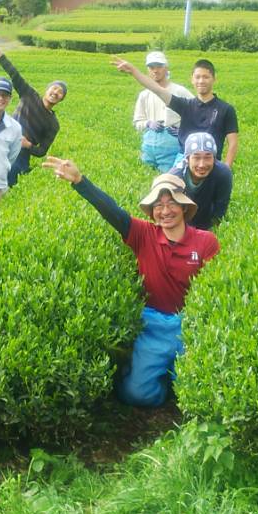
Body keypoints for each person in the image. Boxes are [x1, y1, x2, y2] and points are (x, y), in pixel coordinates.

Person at [42, 159, 219, 408]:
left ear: (183, 207)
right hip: (154, 324)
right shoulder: (143, 234)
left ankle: (175, 389)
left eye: (171, 204)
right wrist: (80, 182)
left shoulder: (205, 242)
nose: (165, 211)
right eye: (158, 205)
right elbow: (111, 211)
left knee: (198, 393)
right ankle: (154, 385)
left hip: (190, 324)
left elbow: (214, 288)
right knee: (137, 395)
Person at [112, 56, 239, 166]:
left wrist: (226, 167)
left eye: (206, 77)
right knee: (168, 185)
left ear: (214, 79)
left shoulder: (226, 109)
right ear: (192, 80)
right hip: (184, 160)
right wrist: (134, 71)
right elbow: (157, 89)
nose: (201, 81)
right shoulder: (185, 105)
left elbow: (232, 142)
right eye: (198, 77)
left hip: (210, 161)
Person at [0, 34, 66, 186]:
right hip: (3, 141)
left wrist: (28, 146)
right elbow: (12, 72)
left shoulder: (54, 124)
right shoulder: (29, 95)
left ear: (61, 99)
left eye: (60, 92)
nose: (56, 92)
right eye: (54, 88)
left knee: (7, 184)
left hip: (21, 156)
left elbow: (42, 151)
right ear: (47, 90)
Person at [132, 50, 191, 170]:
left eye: (159, 66)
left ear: (166, 67)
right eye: (151, 67)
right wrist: (148, 123)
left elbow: (197, 113)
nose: (155, 70)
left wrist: (184, 130)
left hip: (173, 142)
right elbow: (137, 121)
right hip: (150, 143)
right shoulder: (144, 95)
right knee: (146, 173)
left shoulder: (179, 91)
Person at [167, 133, 233, 231]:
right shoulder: (175, 177)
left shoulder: (223, 174)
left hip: (207, 222)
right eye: (196, 158)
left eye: (207, 157)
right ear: (187, 159)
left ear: (214, 158)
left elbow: (221, 208)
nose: (202, 164)